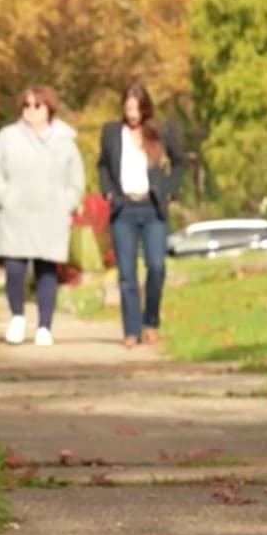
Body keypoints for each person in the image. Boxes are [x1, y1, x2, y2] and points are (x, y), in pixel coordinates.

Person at [0, 85, 84, 346]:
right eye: (26, 106)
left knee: (47, 271)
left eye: (37, 105)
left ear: (48, 108)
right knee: (14, 269)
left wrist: (66, 203)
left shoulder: (64, 140)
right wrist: (4, 196)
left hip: (51, 215)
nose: (31, 111)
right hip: (15, 215)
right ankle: (17, 317)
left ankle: (44, 327)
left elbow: (76, 179)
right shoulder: (7, 137)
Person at [98, 82, 185, 348]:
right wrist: (109, 192)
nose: (132, 113)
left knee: (156, 266)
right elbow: (102, 165)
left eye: (136, 108)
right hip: (124, 208)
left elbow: (179, 162)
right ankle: (131, 329)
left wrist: (169, 189)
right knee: (126, 273)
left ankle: (151, 322)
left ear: (145, 108)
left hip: (152, 207)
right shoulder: (112, 132)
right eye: (128, 108)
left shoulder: (160, 132)